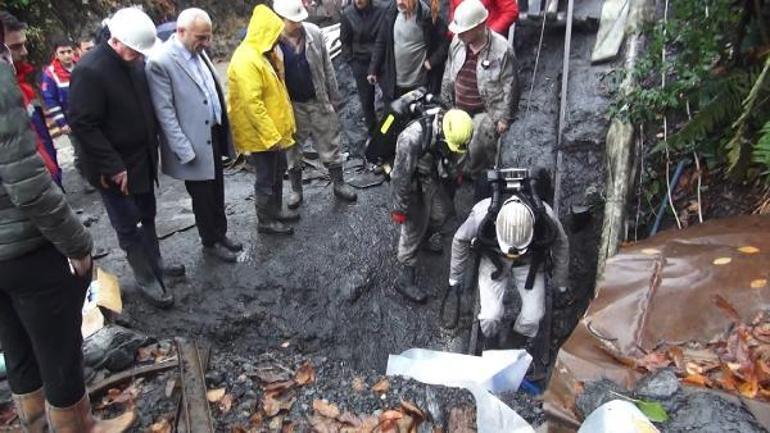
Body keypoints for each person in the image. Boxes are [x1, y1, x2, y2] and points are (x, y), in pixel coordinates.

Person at [0, 20, 134, 432]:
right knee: (57, 345)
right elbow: (29, 185)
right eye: (14, 47)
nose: (22, 54)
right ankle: (79, 427)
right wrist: (77, 242)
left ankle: (36, 419)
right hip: (24, 245)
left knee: (15, 340)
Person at [69, 7, 185, 309]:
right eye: (134, 50)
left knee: (147, 214)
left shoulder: (133, 61)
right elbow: (82, 124)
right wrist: (113, 165)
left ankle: (156, 263)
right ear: (117, 40)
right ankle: (146, 277)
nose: (138, 55)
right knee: (127, 223)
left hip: (142, 158)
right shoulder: (89, 70)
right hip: (113, 168)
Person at [146, 8, 243, 263]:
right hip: (191, 142)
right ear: (181, 32)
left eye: (208, 37)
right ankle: (210, 242)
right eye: (201, 38)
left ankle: (220, 234)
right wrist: (184, 150)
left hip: (211, 133)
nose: (206, 43)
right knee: (202, 196)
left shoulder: (197, 51)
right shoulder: (161, 62)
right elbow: (164, 112)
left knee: (217, 189)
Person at [447, 169, 569, 351]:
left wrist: (560, 283)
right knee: (489, 316)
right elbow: (460, 239)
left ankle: (517, 339)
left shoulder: (545, 217)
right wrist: (454, 280)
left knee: (533, 316)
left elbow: (561, 245)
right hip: (494, 259)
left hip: (529, 262)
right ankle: (491, 339)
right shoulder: (482, 214)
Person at [273, 0, 358, 209]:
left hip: (317, 99)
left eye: (300, 19)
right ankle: (296, 190)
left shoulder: (314, 33)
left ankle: (339, 183)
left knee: (330, 141)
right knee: (293, 149)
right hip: (292, 106)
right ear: (282, 20)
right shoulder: (273, 42)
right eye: (294, 21)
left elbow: (327, 67)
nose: (299, 24)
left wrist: (334, 96)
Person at [390, 104, 474, 302]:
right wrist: (399, 208)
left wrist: (455, 175)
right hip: (412, 181)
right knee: (413, 226)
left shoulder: (458, 126)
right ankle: (404, 277)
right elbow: (400, 176)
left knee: (441, 215)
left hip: (430, 175)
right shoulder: (411, 139)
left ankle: (424, 240)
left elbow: (457, 155)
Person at [228, 4, 298, 235]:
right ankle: (266, 221)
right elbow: (253, 104)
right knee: (266, 178)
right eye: (275, 34)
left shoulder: (262, 54)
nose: (279, 38)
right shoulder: (246, 60)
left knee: (276, 174)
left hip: (272, 133)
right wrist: (270, 136)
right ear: (265, 31)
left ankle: (275, 212)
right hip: (262, 136)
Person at [441, 0, 519, 184]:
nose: (458, 34)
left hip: (486, 109)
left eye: (464, 31)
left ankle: (479, 177)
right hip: (459, 106)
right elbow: (448, 71)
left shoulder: (502, 50)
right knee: (455, 143)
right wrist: (446, 104)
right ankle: (460, 172)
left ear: (479, 27)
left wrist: (505, 118)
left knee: (479, 145)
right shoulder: (457, 42)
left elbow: (511, 85)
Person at [1, 12, 62, 187]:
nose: (25, 52)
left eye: (24, 45)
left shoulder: (21, 85)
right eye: (16, 47)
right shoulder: (7, 94)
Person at [368, 0, 449, 106]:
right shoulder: (391, 12)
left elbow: (445, 43)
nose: (400, 2)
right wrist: (373, 68)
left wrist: (432, 61)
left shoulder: (429, 16)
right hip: (394, 85)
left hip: (419, 85)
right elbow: (381, 41)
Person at [40, 37, 95, 193]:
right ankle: (86, 178)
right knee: (81, 151)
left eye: (69, 51)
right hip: (72, 121)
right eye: (62, 52)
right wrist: (62, 123)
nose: (67, 55)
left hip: (90, 116)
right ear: (56, 54)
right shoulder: (51, 74)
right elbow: (51, 100)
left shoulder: (81, 65)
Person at [340, 0, 386, 134]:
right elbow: (345, 41)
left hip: (381, 60)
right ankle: (373, 132)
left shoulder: (381, 11)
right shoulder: (348, 15)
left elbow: (383, 38)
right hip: (361, 62)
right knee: (366, 101)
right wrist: (352, 62)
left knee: (389, 96)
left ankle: (390, 130)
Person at [448, 0, 518, 37]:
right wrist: (454, 34)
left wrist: (489, 34)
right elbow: (453, 9)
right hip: (462, 41)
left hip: (489, 43)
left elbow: (510, 11)